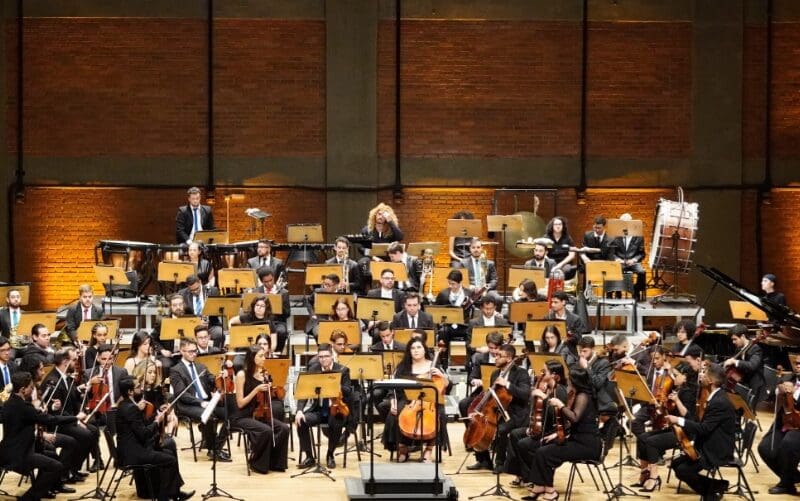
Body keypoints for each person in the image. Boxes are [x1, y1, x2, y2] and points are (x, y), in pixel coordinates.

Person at [0, 371, 85, 501]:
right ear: (23, 389)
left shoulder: (9, 403)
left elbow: (26, 418)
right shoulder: (24, 407)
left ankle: (44, 489)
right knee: (56, 467)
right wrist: (75, 417)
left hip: (8, 450)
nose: (32, 389)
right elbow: (51, 420)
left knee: (51, 455)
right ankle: (29, 498)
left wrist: (36, 413)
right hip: (20, 455)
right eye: (30, 387)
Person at [527, 368, 602, 500]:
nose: (567, 381)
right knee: (542, 447)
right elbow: (570, 423)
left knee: (545, 453)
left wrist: (560, 405)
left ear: (575, 381)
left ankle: (550, 491)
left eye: (569, 379)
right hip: (577, 439)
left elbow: (574, 418)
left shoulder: (583, 396)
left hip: (587, 445)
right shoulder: (577, 394)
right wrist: (557, 434)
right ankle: (540, 485)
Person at [116, 375, 194, 501]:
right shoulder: (131, 409)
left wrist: (152, 415)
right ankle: (164, 497)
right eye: (137, 387)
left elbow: (139, 427)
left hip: (132, 448)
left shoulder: (126, 405)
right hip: (133, 453)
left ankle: (175, 494)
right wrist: (157, 422)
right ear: (130, 392)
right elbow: (144, 434)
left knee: (168, 452)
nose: (141, 389)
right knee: (170, 460)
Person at [667, 363, 738, 500]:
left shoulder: (719, 402)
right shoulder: (714, 397)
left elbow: (705, 428)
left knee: (683, 470)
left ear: (711, 381)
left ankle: (710, 495)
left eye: (704, 374)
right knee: (676, 464)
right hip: (707, 443)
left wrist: (678, 420)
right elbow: (703, 426)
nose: (701, 376)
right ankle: (717, 485)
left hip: (717, 450)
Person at [465, 344, 530, 473]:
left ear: (509, 358)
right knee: (477, 423)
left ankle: (500, 462)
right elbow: (492, 397)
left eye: (499, 356)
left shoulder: (521, 373)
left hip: (516, 414)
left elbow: (525, 394)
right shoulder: (495, 374)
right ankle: (483, 460)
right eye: (495, 355)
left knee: (500, 429)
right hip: (497, 412)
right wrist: (478, 411)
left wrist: (508, 384)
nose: (495, 358)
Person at [634, 362, 698, 492]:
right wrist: (660, 408)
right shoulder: (676, 390)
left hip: (684, 432)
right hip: (674, 428)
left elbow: (690, 418)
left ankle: (654, 477)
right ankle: (645, 473)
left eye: (675, 375)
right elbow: (668, 412)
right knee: (642, 437)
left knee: (651, 442)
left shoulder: (688, 393)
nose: (672, 376)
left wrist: (677, 401)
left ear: (685, 377)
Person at [505, 361, 568, 487]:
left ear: (554, 375)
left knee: (523, 443)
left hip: (552, 431)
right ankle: (521, 474)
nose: (541, 373)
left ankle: (531, 476)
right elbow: (536, 411)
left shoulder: (559, 391)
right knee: (515, 434)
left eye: (544, 371)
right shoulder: (547, 388)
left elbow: (556, 414)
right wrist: (532, 427)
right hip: (541, 427)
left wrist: (543, 397)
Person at [384, 338, 448, 462]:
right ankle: (403, 448)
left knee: (440, 415)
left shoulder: (434, 365)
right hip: (408, 400)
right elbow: (394, 388)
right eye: (413, 348)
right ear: (409, 351)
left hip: (430, 401)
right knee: (395, 413)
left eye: (419, 347)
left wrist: (442, 376)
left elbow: (445, 385)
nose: (416, 350)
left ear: (424, 350)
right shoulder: (403, 367)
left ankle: (429, 450)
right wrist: (393, 400)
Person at [41, 348, 99, 482]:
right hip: (57, 423)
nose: (76, 363)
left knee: (94, 431)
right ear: (65, 361)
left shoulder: (66, 378)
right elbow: (55, 411)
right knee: (85, 435)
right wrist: (76, 421)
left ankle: (73, 468)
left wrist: (81, 391)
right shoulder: (52, 381)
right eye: (73, 360)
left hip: (68, 419)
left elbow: (70, 397)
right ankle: (63, 472)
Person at [169, 337, 231, 462]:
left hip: (207, 402)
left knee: (231, 414)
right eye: (190, 351)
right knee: (210, 416)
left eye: (195, 351)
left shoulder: (201, 366)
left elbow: (212, 380)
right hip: (188, 405)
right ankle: (213, 450)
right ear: (182, 351)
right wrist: (200, 402)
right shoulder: (175, 370)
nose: (194, 354)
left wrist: (221, 376)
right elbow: (182, 394)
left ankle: (216, 445)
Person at [295, 343, 353, 469]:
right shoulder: (313, 370)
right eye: (320, 357)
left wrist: (337, 385)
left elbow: (349, 391)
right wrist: (299, 410)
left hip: (336, 409)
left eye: (326, 356)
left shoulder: (342, 370)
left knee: (336, 421)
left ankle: (330, 454)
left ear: (332, 356)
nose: (323, 359)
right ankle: (310, 456)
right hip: (319, 410)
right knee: (301, 421)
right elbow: (304, 393)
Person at [232, 346, 290, 474]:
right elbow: (240, 403)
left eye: (264, 355)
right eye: (261, 356)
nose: (264, 358)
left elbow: (271, 397)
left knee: (284, 428)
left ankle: (275, 463)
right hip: (243, 417)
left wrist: (271, 388)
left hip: (260, 414)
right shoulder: (242, 375)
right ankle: (256, 462)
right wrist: (256, 390)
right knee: (266, 430)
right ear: (253, 358)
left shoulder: (264, 374)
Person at [757, 353, 800, 495]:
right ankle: (794, 477)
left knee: (788, 444)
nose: (797, 366)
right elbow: (775, 398)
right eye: (797, 363)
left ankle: (786, 484)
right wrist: (780, 392)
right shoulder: (790, 378)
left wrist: (793, 394)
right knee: (765, 448)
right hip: (785, 422)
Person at [722, 323, 765, 409]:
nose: (733, 342)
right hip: (742, 383)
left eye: (735, 339)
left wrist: (735, 362)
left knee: (737, 408)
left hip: (753, 386)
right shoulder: (739, 348)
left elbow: (752, 365)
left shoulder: (756, 349)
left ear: (742, 336)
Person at [178, 274, 224, 349]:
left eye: (197, 288)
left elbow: (217, 310)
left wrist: (207, 319)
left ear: (200, 282)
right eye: (192, 290)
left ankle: (214, 352)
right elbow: (182, 314)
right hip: (192, 326)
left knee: (219, 333)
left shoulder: (212, 291)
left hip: (210, 324)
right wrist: (197, 321)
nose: (195, 292)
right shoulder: (182, 293)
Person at [611, 213, 647, 301]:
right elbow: (611, 253)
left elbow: (642, 253)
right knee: (614, 271)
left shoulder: (639, 237)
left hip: (633, 262)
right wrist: (617, 259)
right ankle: (617, 291)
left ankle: (636, 290)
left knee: (642, 272)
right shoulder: (615, 236)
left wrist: (634, 260)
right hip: (620, 262)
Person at [253, 267, 291, 352]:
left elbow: (288, 313)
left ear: (274, 278)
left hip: (277, 322)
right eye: (266, 282)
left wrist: (277, 303)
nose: (269, 283)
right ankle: (257, 354)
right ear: (262, 281)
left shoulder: (283, 292)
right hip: (261, 321)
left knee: (281, 332)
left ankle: (277, 353)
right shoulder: (256, 292)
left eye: (271, 280)